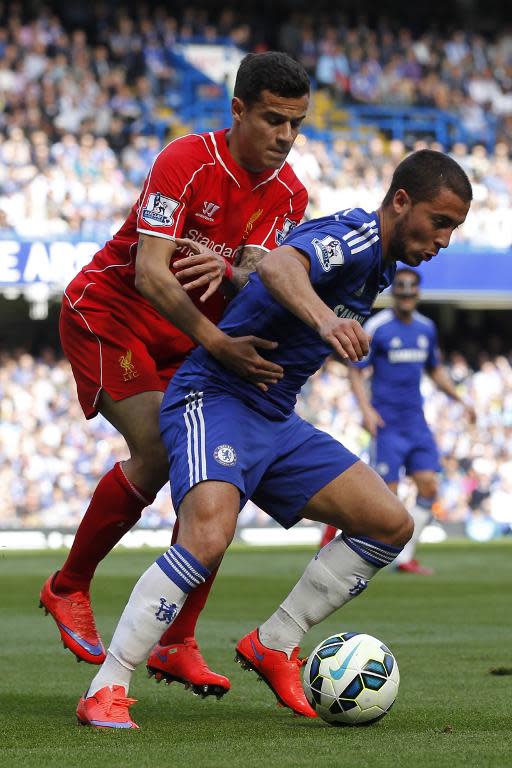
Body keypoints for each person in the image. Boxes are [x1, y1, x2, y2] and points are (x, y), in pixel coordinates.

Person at [75, 149, 472, 729]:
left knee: (390, 524)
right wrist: (327, 321)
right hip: (214, 396)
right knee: (207, 536)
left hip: (274, 416)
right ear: (402, 201)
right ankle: (106, 687)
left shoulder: (380, 263)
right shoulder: (361, 235)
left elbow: (265, 274)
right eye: (440, 222)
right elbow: (285, 266)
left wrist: (237, 273)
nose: (444, 239)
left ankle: (275, 640)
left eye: (454, 229)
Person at [39, 52, 310, 698]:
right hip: (112, 316)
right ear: (237, 109)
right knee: (162, 447)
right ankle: (69, 584)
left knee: (221, 470)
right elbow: (150, 273)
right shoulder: (186, 161)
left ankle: (176, 640)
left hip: (186, 340)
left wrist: (241, 277)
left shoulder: (291, 195)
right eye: (272, 119)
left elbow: (257, 290)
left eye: (296, 124)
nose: (284, 137)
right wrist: (219, 337)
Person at [320, 269, 476, 572]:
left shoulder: (426, 329)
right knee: (385, 499)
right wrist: (365, 410)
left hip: (416, 423)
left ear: (417, 293)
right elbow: (355, 368)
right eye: (400, 289)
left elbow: (436, 369)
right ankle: (334, 531)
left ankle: (404, 558)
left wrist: (460, 399)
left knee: (429, 486)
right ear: (394, 293)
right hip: (386, 424)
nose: (405, 294)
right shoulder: (378, 327)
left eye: (410, 289)